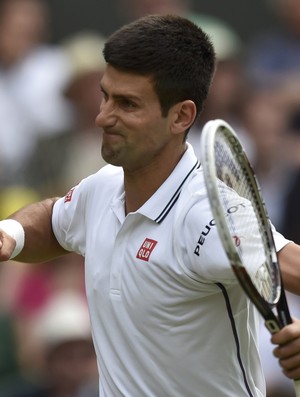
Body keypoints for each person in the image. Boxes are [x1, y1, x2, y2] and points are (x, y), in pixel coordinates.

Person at [1, 14, 300, 396]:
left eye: (127, 104)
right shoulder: (101, 189)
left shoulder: (211, 217)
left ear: (180, 116)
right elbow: (54, 220)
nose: (102, 116)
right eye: (105, 95)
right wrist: (10, 234)